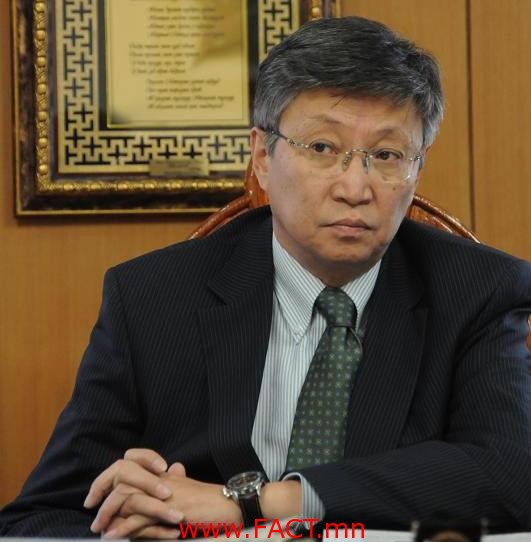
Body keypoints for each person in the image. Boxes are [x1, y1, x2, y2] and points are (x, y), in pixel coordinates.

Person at [1, 15, 530, 539]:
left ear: (418, 167)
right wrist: (136, 527)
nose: (355, 187)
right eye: (322, 148)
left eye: (387, 155)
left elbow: (512, 475)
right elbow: (40, 520)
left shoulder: (476, 293)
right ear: (261, 156)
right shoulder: (152, 299)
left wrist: (256, 503)